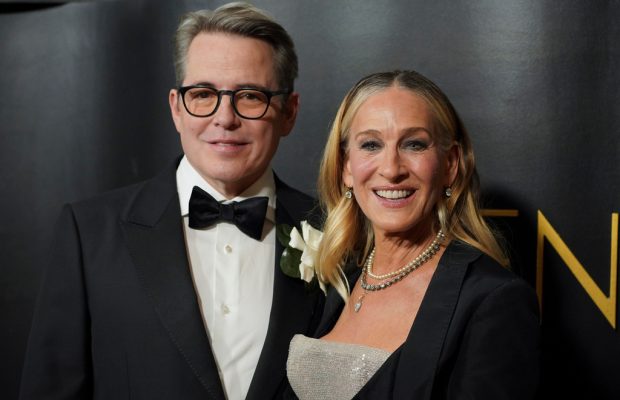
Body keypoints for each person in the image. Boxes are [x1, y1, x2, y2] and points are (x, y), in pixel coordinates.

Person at [19, 3, 323, 400]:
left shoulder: (336, 231)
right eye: (203, 94)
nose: (224, 118)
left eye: (250, 96)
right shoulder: (88, 234)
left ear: (289, 113)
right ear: (177, 108)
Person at [284, 70, 540, 399]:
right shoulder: (340, 278)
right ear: (346, 166)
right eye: (371, 145)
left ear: (450, 164)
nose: (391, 169)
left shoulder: (492, 300)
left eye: (414, 145)